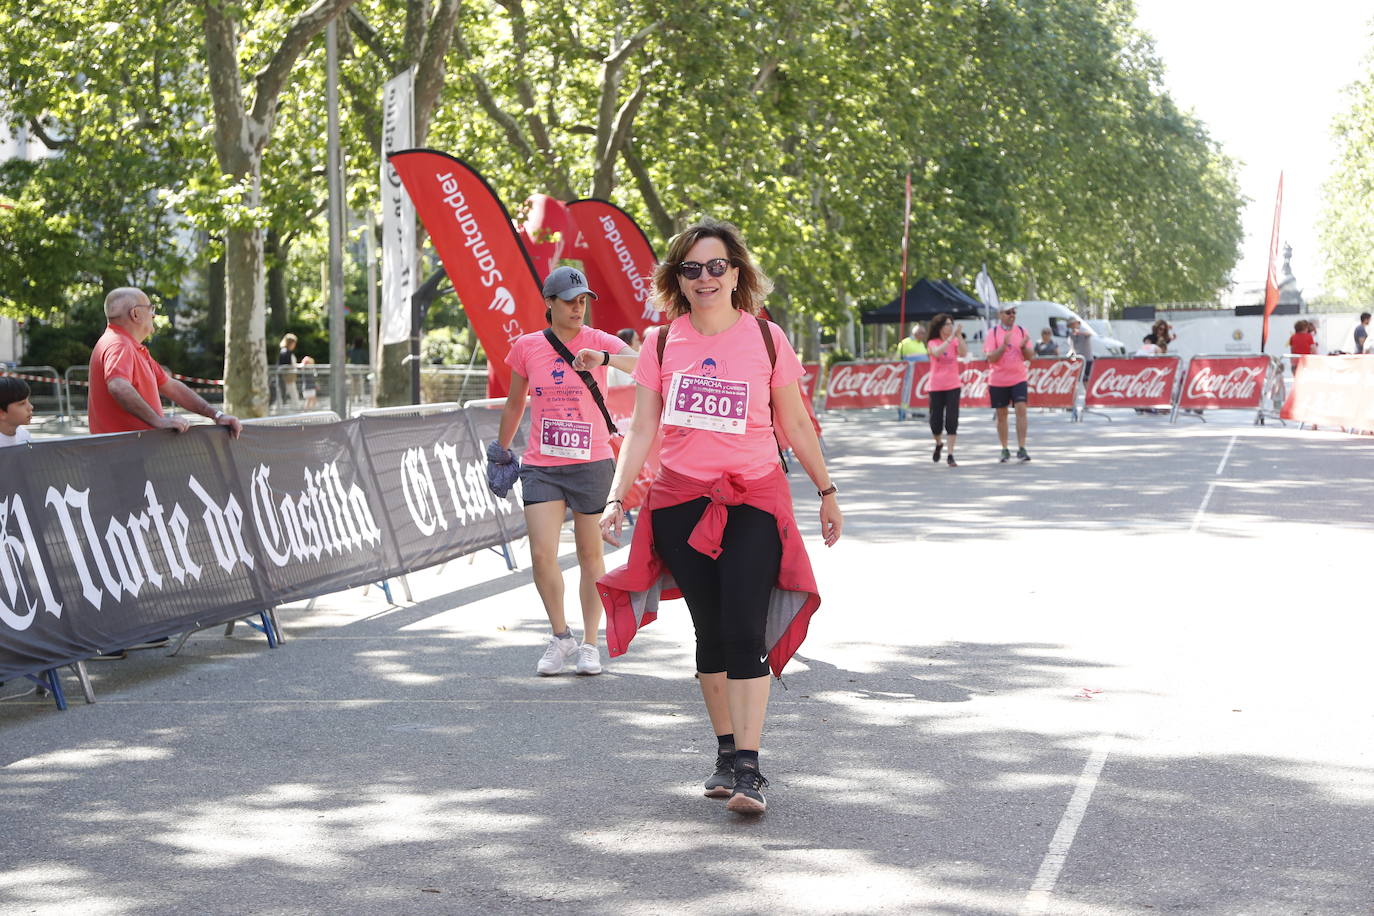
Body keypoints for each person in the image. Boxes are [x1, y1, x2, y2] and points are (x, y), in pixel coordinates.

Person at [598, 219, 842, 815]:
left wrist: (826, 490)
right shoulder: (660, 343)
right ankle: (726, 754)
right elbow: (643, 429)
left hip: (754, 499)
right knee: (709, 630)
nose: (705, 278)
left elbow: (796, 423)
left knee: (744, 627)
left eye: (715, 267)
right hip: (680, 503)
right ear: (677, 278)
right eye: (691, 269)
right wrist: (615, 497)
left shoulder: (766, 338)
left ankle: (751, 770)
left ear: (736, 272)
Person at [490, 266, 638, 677]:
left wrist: (606, 357)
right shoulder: (527, 346)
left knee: (591, 555)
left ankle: (590, 644)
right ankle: (561, 636)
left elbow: (647, 363)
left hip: (591, 463)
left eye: (584, 301)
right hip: (542, 466)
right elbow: (515, 402)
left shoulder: (599, 340)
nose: (579, 308)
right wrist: (501, 452)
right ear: (549, 304)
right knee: (541, 554)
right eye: (570, 301)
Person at [88, 288, 242, 438]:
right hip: (123, 454)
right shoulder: (119, 344)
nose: (154, 315)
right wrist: (158, 421)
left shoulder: (128, 346)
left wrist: (216, 415)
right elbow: (118, 386)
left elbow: (172, 387)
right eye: (150, 308)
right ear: (136, 314)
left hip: (126, 452)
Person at [986, 304, 1033, 463]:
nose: (1012, 315)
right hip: (998, 379)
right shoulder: (992, 333)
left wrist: (1024, 347)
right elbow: (991, 358)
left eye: (1014, 312)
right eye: (1008, 312)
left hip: (1019, 377)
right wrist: (1004, 346)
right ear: (1000, 315)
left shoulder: (1021, 331)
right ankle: (1004, 448)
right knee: (1002, 415)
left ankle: (1022, 447)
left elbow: (1029, 356)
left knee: (1021, 410)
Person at [926, 313, 966, 467]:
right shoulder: (932, 342)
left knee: (952, 419)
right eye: (947, 324)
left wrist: (959, 337)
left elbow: (963, 352)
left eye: (951, 324)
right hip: (936, 386)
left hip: (953, 385)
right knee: (935, 421)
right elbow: (936, 352)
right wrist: (950, 339)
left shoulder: (955, 340)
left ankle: (950, 454)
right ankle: (938, 443)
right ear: (940, 327)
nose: (950, 327)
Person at [895, 323, 928, 421]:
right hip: (908, 374)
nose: (923, 335)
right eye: (922, 333)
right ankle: (902, 411)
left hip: (920, 375)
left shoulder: (921, 343)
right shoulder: (905, 343)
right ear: (916, 333)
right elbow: (898, 359)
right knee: (906, 392)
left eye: (924, 333)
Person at [0, 376, 34, 447]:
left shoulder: (24, 436)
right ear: (1, 413)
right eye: (22, 403)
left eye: (28, 401)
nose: (31, 407)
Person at [275, 333, 298, 405]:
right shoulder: (286, 352)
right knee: (293, 395)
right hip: (287, 378)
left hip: (285, 377)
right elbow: (288, 365)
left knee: (283, 395)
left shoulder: (283, 351)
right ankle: (296, 411)